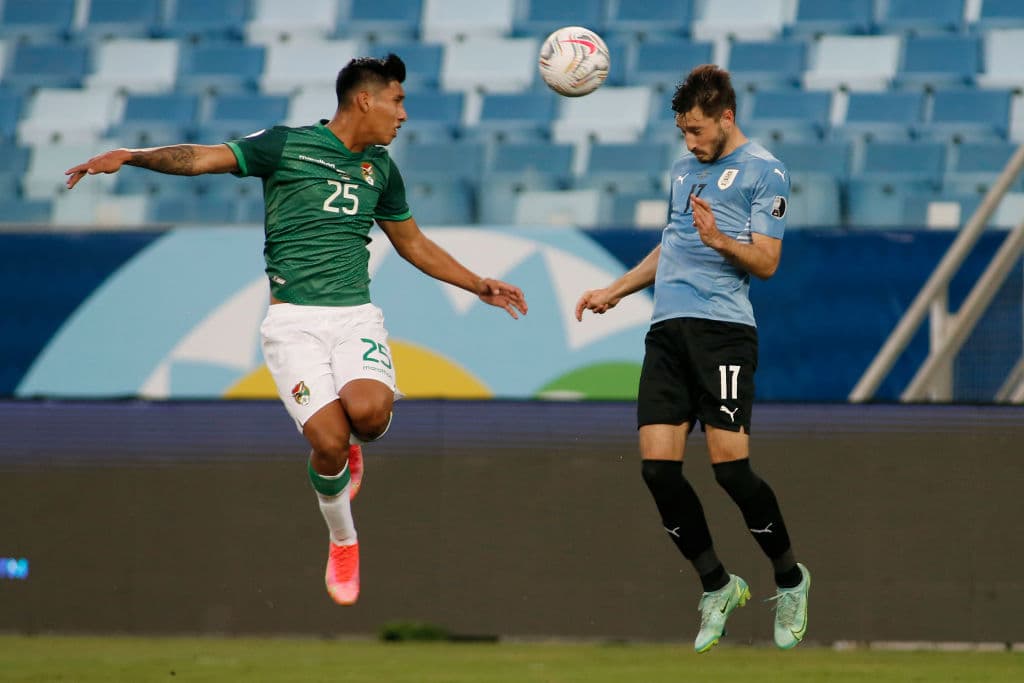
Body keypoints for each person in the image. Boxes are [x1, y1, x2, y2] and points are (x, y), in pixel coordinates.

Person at [65, 54, 528, 606]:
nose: (404, 116)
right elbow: (201, 159)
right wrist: (134, 157)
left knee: (371, 415)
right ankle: (344, 540)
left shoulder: (381, 169)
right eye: (398, 101)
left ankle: (356, 444)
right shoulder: (285, 146)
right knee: (328, 442)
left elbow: (413, 244)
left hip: (355, 317)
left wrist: (478, 284)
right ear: (365, 100)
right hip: (293, 325)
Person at [575, 64, 809, 652]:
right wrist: (615, 289)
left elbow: (768, 262)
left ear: (726, 117)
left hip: (723, 334)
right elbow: (671, 246)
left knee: (731, 470)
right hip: (667, 333)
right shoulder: (684, 171)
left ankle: (790, 577)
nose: (690, 142)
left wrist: (722, 241)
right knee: (657, 470)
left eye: (698, 130)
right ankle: (717, 584)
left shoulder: (766, 172)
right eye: (683, 132)